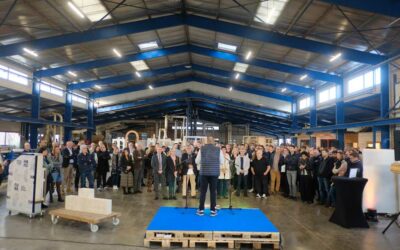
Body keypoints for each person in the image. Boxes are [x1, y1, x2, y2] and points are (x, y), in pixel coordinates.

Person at [195, 137, 224, 216]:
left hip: (204, 173)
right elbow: (222, 161)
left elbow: (197, 161)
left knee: (203, 192)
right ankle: (213, 211)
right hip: (214, 173)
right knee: (213, 192)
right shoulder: (218, 149)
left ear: (207, 141)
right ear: (214, 141)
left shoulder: (202, 149)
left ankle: (201, 210)